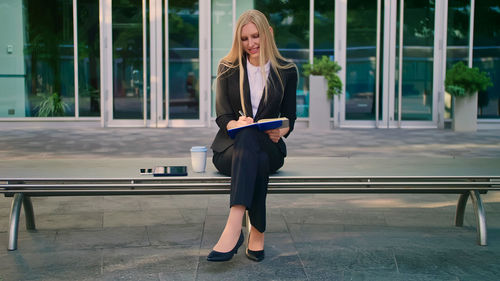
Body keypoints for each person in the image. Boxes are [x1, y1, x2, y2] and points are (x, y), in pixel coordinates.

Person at [208, 9, 297, 262]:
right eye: (245, 39)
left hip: (270, 149)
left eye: (256, 36)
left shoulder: (287, 71)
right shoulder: (227, 67)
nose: (251, 44)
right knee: (247, 135)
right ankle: (255, 232)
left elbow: (290, 116)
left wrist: (282, 129)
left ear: (268, 33)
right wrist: (237, 122)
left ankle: (233, 227)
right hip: (230, 151)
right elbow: (222, 116)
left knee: (254, 144)